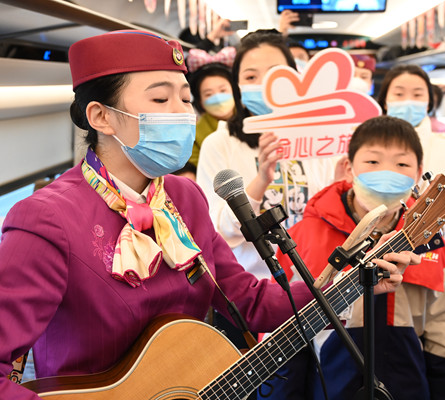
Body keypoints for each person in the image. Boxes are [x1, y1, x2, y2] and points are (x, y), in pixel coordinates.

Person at [0, 30, 409, 398]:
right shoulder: (45, 219)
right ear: (101, 117)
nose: (182, 113)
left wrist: (351, 282)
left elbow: (245, 300)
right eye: (161, 99)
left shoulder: (185, 197)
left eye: (185, 99)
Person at [258, 116, 445, 400]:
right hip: (328, 389)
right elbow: (283, 335)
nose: (387, 172)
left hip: (408, 389)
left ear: (418, 174)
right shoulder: (302, 239)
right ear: (348, 167)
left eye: (401, 164)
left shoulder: (434, 246)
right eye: (373, 162)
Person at [196, 30, 340, 281]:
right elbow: (218, 233)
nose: (263, 84)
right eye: (251, 76)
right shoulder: (219, 144)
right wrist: (261, 179)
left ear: (295, 79)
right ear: (237, 86)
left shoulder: (319, 139)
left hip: (319, 283)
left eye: (276, 74)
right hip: (252, 288)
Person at [377, 64, 445, 211]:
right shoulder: (364, 145)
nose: (408, 101)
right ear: (385, 102)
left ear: (428, 104)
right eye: (399, 94)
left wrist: (433, 199)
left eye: (417, 95)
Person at [186, 61, 236, 169]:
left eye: (223, 90)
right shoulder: (195, 135)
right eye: (209, 94)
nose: (218, 98)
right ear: (200, 102)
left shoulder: (252, 118)